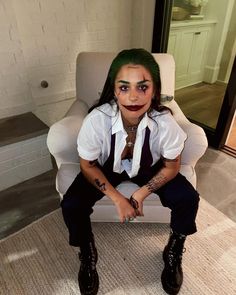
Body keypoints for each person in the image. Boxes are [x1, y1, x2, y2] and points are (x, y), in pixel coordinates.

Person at [61, 48, 200, 295]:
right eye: (124, 87)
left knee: (188, 198)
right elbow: (87, 164)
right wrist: (117, 198)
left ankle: (174, 247)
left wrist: (141, 194)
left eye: (142, 87)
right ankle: (87, 250)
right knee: (72, 204)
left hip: (150, 167)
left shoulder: (164, 123)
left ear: (154, 89)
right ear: (114, 90)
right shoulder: (97, 119)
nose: (133, 97)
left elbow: (171, 166)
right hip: (106, 168)